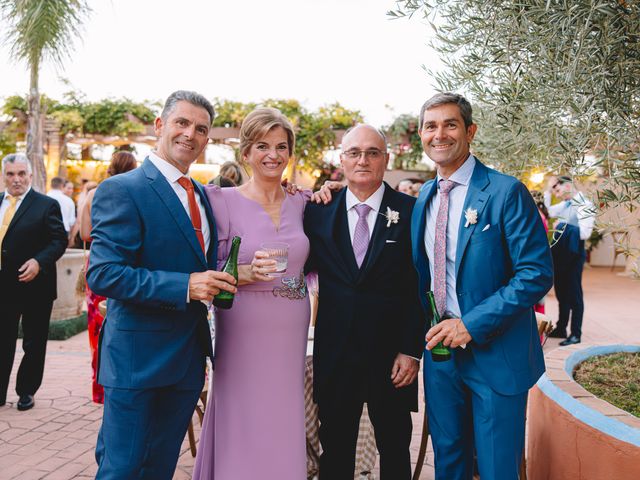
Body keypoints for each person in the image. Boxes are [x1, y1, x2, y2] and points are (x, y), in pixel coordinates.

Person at [86, 91, 237, 479]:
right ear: (160, 126)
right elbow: (103, 273)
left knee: (160, 468)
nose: (190, 134)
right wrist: (185, 285)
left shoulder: (201, 194)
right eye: (182, 123)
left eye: (201, 129)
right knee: (122, 468)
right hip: (137, 360)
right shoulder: (123, 189)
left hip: (187, 361)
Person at [411, 93, 553, 479]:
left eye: (450, 124)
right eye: (430, 126)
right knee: (449, 463)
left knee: (495, 469)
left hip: (496, 354)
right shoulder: (424, 197)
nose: (439, 134)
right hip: (442, 358)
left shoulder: (506, 192)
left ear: (470, 131)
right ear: (421, 135)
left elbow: (535, 273)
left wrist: (470, 324)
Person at [193, 107, 311, 480]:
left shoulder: (303, 202)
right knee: (243, 413)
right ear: (245, 153)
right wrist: (243, 273)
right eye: (262, 146)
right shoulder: (220, 202)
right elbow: (204, 266)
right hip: (243, 327)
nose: (272, 155)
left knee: (283, 414)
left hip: (292, 328)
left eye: (280, 146)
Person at [304, 124, 424, 480]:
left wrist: (411, 349)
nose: (363, 160)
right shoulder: (317, 211)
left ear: (386, 159)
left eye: (373, 152)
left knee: (395, 447)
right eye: (354, 152)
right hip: (336, 353)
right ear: (341, 159)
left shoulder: (413, 212)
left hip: (392, 358)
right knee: (336, 449)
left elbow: (420, 286)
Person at [0, 154, 67, 410]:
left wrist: (39, 261)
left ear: (29, 175)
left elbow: (58, 240)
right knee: (2, 340)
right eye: (10, 174)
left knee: (33, 342)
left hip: (35, 286)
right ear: (4, 176)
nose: (16, 179)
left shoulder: (46, 205)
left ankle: (26, 391)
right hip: (3, 286)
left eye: (21, 174)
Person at [79, 151, 137, 404]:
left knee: (98, 327)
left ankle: (99, 388)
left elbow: (84, 233)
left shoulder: (94, 194)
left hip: (100, 262)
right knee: (123, 322)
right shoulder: (135, 192)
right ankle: (122, 382)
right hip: (126, 262)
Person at [546, 175, 595, 346]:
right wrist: (547, 190)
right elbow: (549, 211)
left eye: (558, 190)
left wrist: (562, 226)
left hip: (574, 253)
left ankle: (576, 333)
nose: (557, 195)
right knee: (561, 291)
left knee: (574, 294)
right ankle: (561, 328)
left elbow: (585, 233)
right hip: (561, 254)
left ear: (567, 186)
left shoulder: (585, 204)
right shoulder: (564, 204)